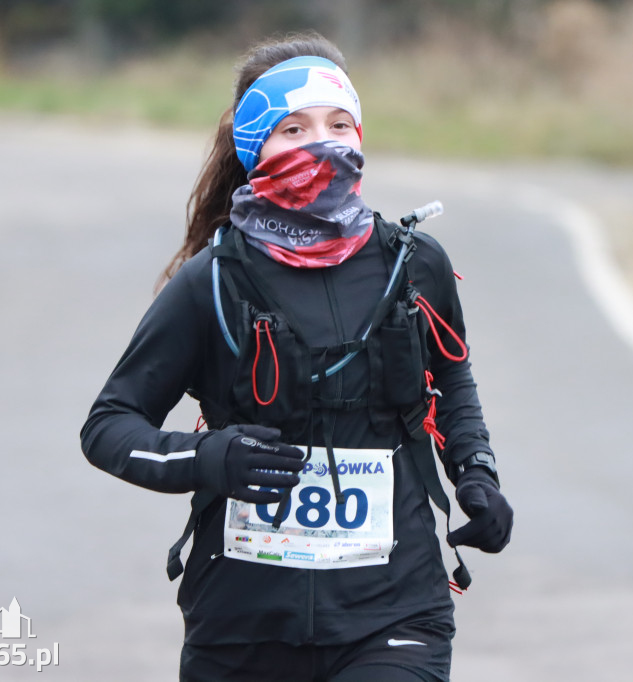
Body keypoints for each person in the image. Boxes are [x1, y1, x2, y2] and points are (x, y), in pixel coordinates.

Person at [80, 32, 513, 682]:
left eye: (340, 124)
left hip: (393, 613)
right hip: (243, 625)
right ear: (256, 147)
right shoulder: (212, 282)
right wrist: (209, 458)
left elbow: (450, 375)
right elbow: (109, 426)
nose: (322, 144)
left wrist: (476, 472)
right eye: (294, 128)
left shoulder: (415, 265)